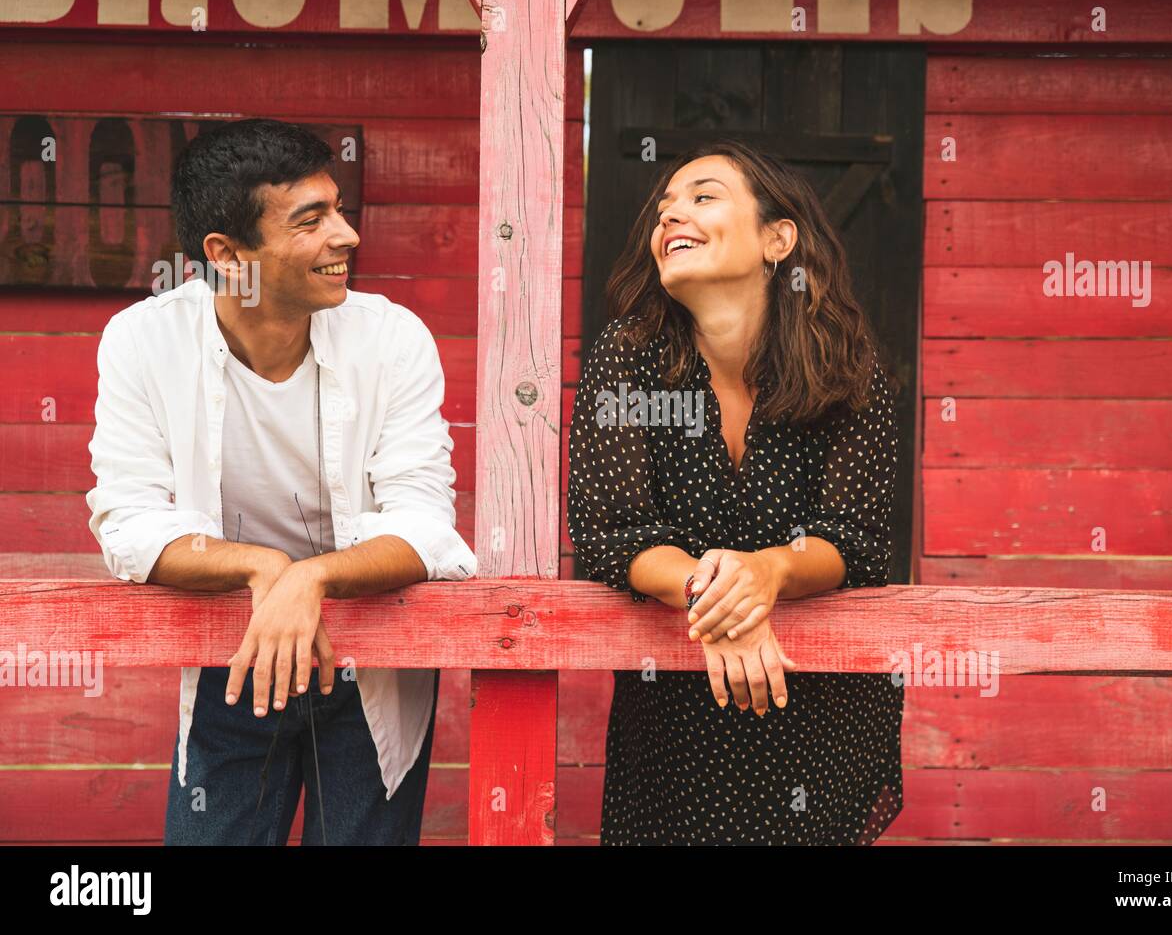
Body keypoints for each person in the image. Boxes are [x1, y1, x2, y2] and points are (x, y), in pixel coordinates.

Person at [86, 118, 476, 845]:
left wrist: (312, 579)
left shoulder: (392, 340)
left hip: (371, 670)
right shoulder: (143, 341)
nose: (347, 236)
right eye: (312, 220)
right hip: (235, 657)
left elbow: (425, 524)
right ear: (229, 256)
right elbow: (130, 523)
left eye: (339, 208)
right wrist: (265, 569)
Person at [567, 139, 903, 844]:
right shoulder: (629, 357)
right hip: (677, 716)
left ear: (778, 238)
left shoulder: (846, 363)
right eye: (663, 209)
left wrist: (768, 570)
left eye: (702, 197)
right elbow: (611, 535)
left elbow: (857, 538)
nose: (671, 216)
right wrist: (716, 595)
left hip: (818, 710)